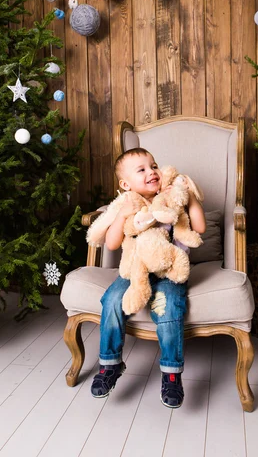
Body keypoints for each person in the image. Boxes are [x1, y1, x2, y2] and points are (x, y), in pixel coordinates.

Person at [90, 148, 206, 408]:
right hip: (135, 272)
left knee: (168, 309)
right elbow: (111, 244)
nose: (151, 171)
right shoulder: (126, 204)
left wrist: (190, 197)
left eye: (153, 165)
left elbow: (199, 228)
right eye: (141, 169)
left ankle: (172, 373)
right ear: (125, 184)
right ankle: (110, 364)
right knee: (111, 301)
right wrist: (122, 215)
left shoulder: (170, 198)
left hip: (169, 271)